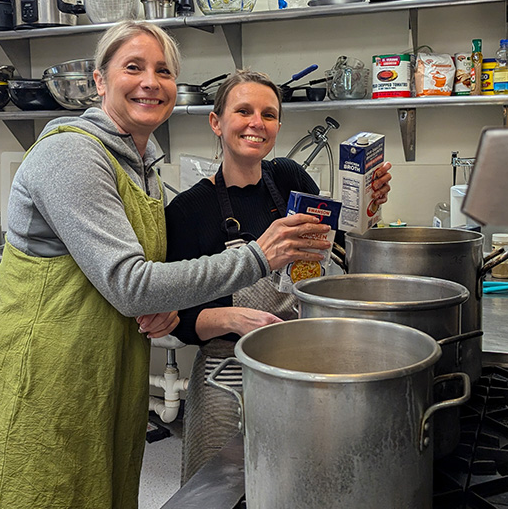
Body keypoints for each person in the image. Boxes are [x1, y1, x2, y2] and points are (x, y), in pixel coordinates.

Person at [0, 23, 332, 509]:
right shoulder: (69, 153)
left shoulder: (145, 171)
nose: (150, 81)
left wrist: (166, 311)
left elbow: (141, 282)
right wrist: (258, 256)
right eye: (133, 67)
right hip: (41, 386)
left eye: (164, 71)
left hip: (107, 383)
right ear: (99, 80)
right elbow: (131, 284)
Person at [165, 69, 392, 483]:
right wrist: (235, 319)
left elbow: (338, 241)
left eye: (268, 114)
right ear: (216, 122)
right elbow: (176, 320)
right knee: (218, 486)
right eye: (243, 111)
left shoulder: (288, 178)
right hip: (226, 366)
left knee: (303, 480)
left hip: (302, 357)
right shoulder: (187, 210)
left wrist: (368, 206)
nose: (257, 123)